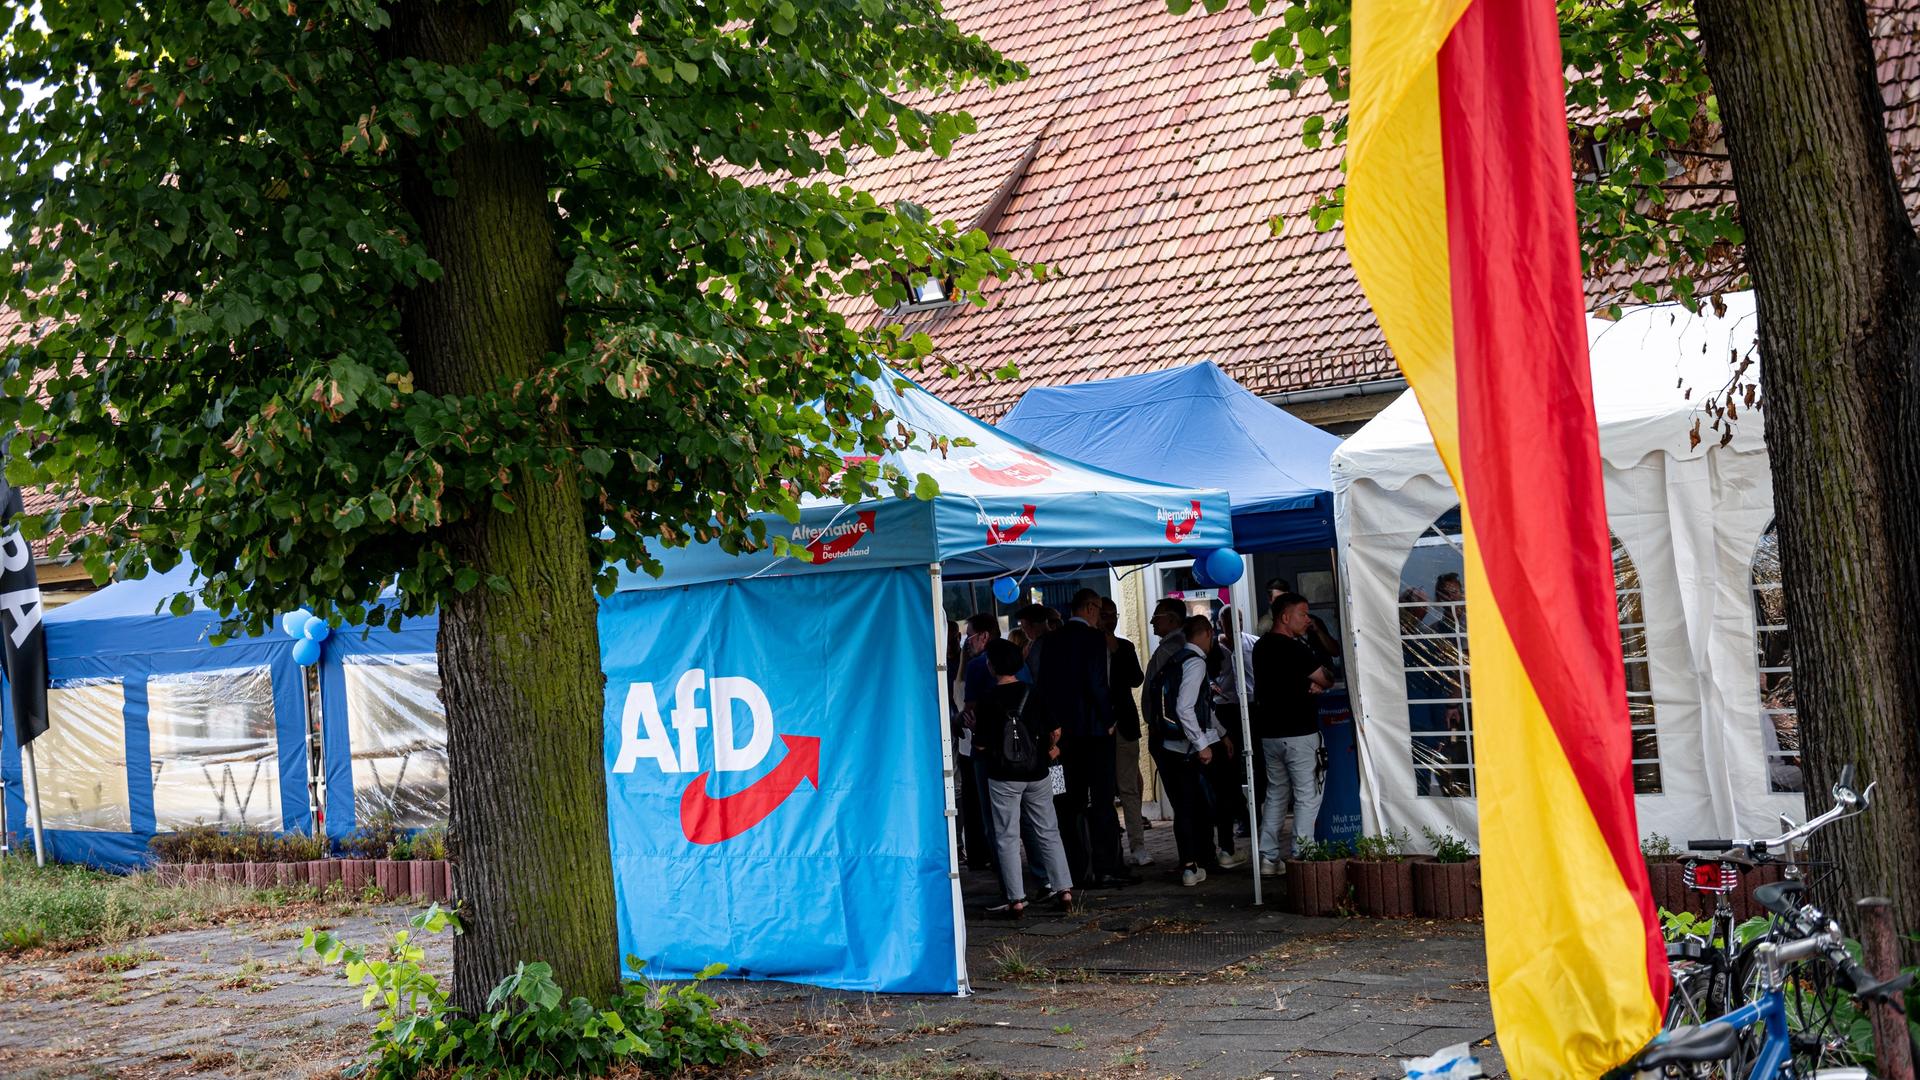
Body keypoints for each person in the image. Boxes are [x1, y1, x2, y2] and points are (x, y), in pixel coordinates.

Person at [974, 638, 1073, 916]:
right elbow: (1055, 730)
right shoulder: (1033, 692)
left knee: (1006, 835)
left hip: (1003, 776)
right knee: (1048, 830)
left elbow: (980, 745)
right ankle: (1063, 889)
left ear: (992, 667)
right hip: (1037, 772)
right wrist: (1048, 748)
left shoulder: (987, 699)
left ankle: (1016, 898)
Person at [1040, 588, 1130, 888]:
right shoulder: (1093, 639)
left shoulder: (1050, 640)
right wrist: (1108, 720)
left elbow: (1044, 686)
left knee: (1065, 801)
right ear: (1091, 608)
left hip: (1061, 737)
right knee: (1102, 800)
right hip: (1093, 733)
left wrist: (1050, 727)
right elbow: (1096, 683)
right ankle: (1106, 867)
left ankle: (1074, 869)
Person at [1253, 592, 1333, 874]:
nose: (1307, 619)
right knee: (1307, 794)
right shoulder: (1295, 649)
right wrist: (1318, 684)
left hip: (1270, 733)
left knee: (1276, 794)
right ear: (1285, 617)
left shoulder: (1260, 647)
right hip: (1299, 731)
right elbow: (1325, 676)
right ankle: (1303, 855)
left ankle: (1268, 857)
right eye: (1303, 613)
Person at [1149, 614, 1221, 886]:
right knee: (1193, 806)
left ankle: (1191, 863)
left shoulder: (1174, 659)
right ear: (1206, 633)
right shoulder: (1195, 663)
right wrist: (1202, 743)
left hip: (1169, 743)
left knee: (1185, 806)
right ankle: (1193, 866)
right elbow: (1185, 707)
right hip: (1185, 748)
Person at [1100, 597, 1152, 867]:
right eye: (1106, 615)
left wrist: (1116, 649)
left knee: (1129, 788)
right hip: (1096, 728)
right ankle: (1108, 851)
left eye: (1114, 614)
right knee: (1101, 791)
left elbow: (1136, 679)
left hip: (1124, 725)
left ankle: (1138, 846)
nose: (1111, 619)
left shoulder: (1126, 647)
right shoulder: (1086, 646)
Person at [1208, 607, 1258, 870]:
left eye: (1236, 620)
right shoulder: (1213, 650)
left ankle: (1254, 819)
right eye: (1226, 621)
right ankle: (1240, 817)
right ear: (1219, 623)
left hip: (1251, 706)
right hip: (1226, 709)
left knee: (1255, 765)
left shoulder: (1254, 644)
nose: (1232, 626)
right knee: (1227, 769)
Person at [958, 613, 1001, 869]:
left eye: (969, 635)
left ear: (984, 636)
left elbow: (970, 709)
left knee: (992, 815)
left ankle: (1008, 883)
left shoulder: (978, 666)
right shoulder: (1016, 659)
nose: (967, 642)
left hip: (985, 748)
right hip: (1023, 753)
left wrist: (961, 720)